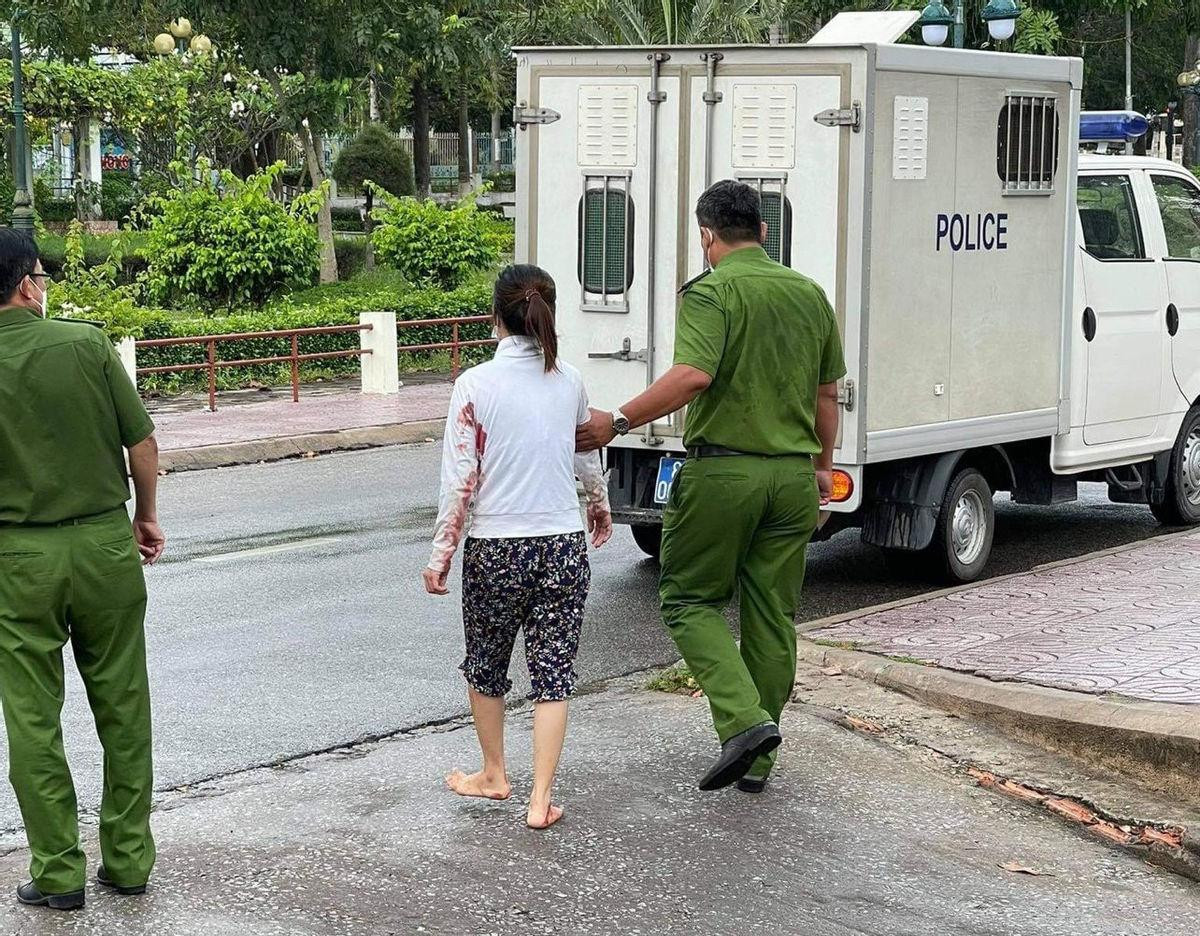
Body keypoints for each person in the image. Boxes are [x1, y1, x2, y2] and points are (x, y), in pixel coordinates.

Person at [577, 180, 844, 793]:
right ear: (765, 231)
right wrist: (822, 472)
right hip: (795, 475)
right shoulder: (810, 295)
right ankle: (758, 760)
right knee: (772, 615)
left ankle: (744, 721)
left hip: (725, 472)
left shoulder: (711, 292)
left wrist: (617, 421)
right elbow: (826, 394)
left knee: (688, 598)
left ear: (707, 235)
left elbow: (694, 374)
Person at [0, 229, 165, 911]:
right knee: (123, 705)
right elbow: (143, 444)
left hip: (17, 558)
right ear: (28, 286)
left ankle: (59, 873)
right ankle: (127, 860)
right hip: (103, 545)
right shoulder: (85, 343)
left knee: (33, 718)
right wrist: (144, 516)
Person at [423, 264, 612, 829]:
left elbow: (460, 480)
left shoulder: (474, 385)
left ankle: (494, 773)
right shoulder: (569, 380)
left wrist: (440, 555)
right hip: (561, 544)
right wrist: (598, 505)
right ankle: (540, 801)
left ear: (496, 317)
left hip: (496, 546)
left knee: (486, 664)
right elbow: (585, 455)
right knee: (553, 674)